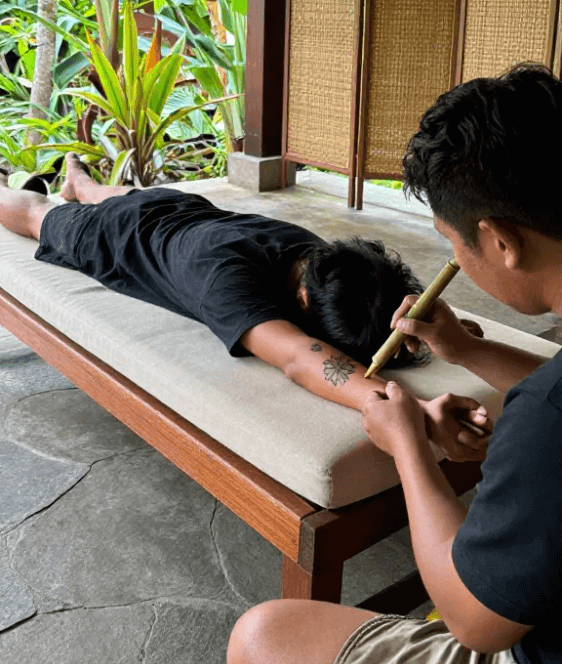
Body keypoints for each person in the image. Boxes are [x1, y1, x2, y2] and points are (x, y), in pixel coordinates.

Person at [227, 62, 562, 664]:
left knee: (262, 640)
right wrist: (469, 350)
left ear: (500, 240)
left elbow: (472, 618)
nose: (457, 262)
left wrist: (409, 447)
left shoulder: (546, 420)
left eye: (452, 243)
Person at [0, 154, 489, 462]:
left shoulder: (322, 257)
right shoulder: (227, 284)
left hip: (178, 206)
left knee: (118, 195)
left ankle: (79, 182)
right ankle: (51, 191)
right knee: (34, 214)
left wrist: (438, 331)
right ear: (301, 303)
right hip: (117, 235)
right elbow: (300, 359)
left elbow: (372, 298)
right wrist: (415, 410)